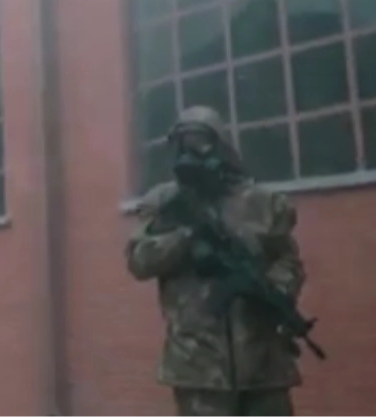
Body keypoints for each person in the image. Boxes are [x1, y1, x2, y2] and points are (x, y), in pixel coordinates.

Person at [125, 105, 304, 417]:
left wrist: (274, 290)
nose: (192, 152)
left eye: (201, 142)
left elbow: (288, 260)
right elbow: (140, 261)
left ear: (221, 145)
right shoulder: (163, 203)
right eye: (185, 144)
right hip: (198, 368)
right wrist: (186, 237)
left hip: (262, 362)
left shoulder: (262, 203)